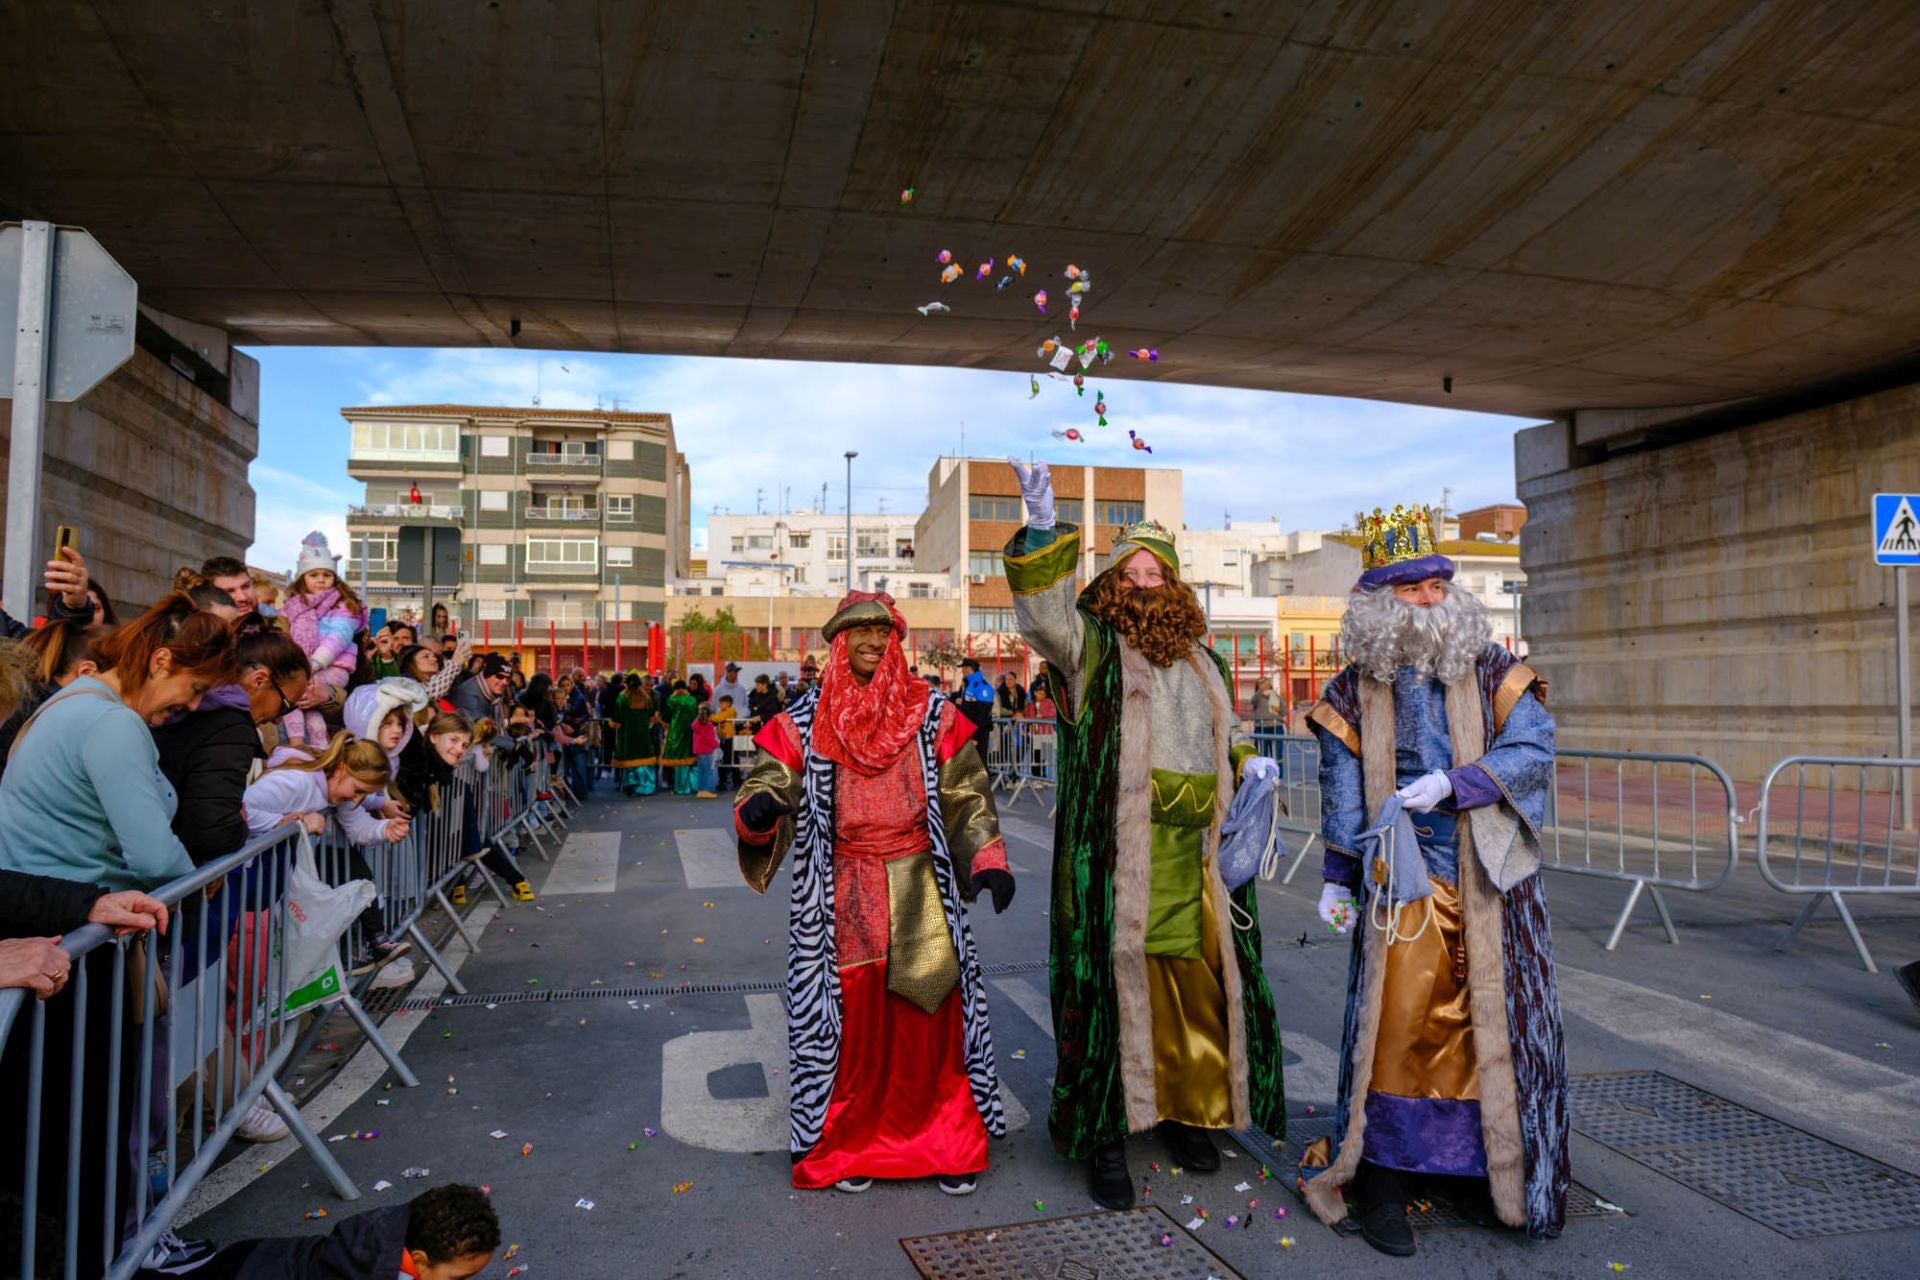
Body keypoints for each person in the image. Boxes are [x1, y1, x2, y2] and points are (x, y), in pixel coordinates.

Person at [1002, 461, 1286, 1211]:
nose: (1144, 579)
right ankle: (1104, 1135)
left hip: (1195, 857)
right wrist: (1040, 521)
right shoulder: (1089, 647)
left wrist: (1252, 765)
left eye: (1156, 569)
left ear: (1176, 583)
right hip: (1117, 854)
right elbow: (1041, 618)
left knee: (1193, 993)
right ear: (1110, 586)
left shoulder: (1206, 660)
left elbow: (1226, 741)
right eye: (1130, 570)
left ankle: (1188, 1113)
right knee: (1108, 991)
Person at [1298, 504, 1566, 1254]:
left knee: (1490, 1030)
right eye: (1410, 588)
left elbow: (1535, 750)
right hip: (1400, 887)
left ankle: (1487, 1169)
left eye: (1435, 584)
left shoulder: (1492, 670)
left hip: (1486, 882)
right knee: (1399, 1032)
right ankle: (1383, 1174)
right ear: (1381, 600)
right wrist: (1337, 875)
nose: (1427, 599)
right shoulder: (1357, 687)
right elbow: (1341, 782)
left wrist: (1459, 783)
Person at [734, 591, 1015, 1196]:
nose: (869, 641)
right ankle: (853, 1141)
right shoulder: (803, 721)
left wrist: (987, 858)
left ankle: (945, 1141)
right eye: (855, 631)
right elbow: (767, 781)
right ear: (838, 642)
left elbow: (966, 792)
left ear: (896, 639)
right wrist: (757, 812)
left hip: (918, 884)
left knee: (928, 1019)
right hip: (842, 890)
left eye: (880, 631)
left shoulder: (932, 712)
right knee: (853, 1023)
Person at [0, 593, 237, 890]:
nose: (194, 704)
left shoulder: (77, 698)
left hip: (51, 902)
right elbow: (155, 859)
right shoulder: (113, 722)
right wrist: (196, 884)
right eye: (196, 688)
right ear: (161, 661)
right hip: (77, 912)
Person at [174, 1180, 499, 1280]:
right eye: (457, 1279)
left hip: (260, 1257)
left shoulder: (398, 1235)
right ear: (421, 1260)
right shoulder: (367, 1272)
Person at [281, 533, 365, 748]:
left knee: (293, 692)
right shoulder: (295, 605)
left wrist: (315, 663)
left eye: (326, 574)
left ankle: (296, 746)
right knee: (310, 712)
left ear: (334, 577)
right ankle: (319, 749)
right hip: (306, 666)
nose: (321, 579)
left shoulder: (342, 604)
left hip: (332, 666)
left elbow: (339, 636)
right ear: (303, 578)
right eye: (314, 574)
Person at [611, 674, 660, 795]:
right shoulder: (646, 698)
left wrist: (613, 723)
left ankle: (631, 784)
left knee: (630, 760)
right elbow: (652, 717)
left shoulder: (622, 698)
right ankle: (646, 786)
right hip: (643, 733)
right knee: (644, 759)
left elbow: (615, 719)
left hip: (627, 734)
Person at [659, 679, 699, 795]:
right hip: (691, 732)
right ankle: (694, 785)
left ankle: (681, 787)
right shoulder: (692, 700)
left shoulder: (671, 700)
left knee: (680, 759)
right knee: (691, 758)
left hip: (676, 733)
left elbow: (666, 717)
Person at [956, 657, 995, 741]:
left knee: (979, 754)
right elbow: (970, 707)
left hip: (977, 734)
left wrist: (975, 736)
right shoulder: (969, 685)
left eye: (963, 668)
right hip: (967, 731)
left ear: (969, 668)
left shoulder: (982, 686)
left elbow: (983, 713)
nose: (962, 671)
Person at [713, 694, 741, 790]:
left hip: (730, 739)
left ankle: (736, 780)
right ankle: (722, 781)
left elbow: (719, 718)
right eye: (720, 703)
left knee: (733, 760)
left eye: (722, 703)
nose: (720, 705)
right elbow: (717, 717)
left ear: (728, 703)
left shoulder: (731, 711)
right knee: (723, 761)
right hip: (722, 738)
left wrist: (709, 718)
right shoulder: (720, 712)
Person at [691, 704, 720, 797]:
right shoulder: (709, 725)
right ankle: (706, 790)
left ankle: (700, 790)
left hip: (698, 750)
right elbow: (708, 739)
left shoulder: (696, 724)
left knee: (701, 771)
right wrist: (716, 744)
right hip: (706, 750)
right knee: (708, 771)